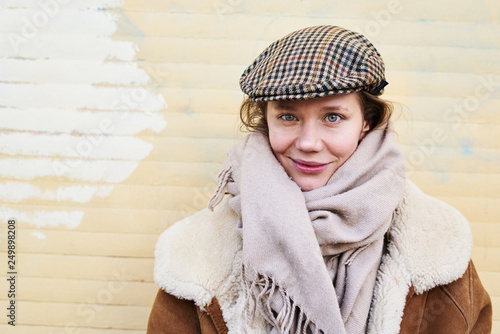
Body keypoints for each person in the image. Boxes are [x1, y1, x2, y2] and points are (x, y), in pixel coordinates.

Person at [147, 25, 492, 334]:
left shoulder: (435, 248)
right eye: (287, 116)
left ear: (366, 123)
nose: (309, 143)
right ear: (265, 122)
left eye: (332, 117)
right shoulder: (196, 257)